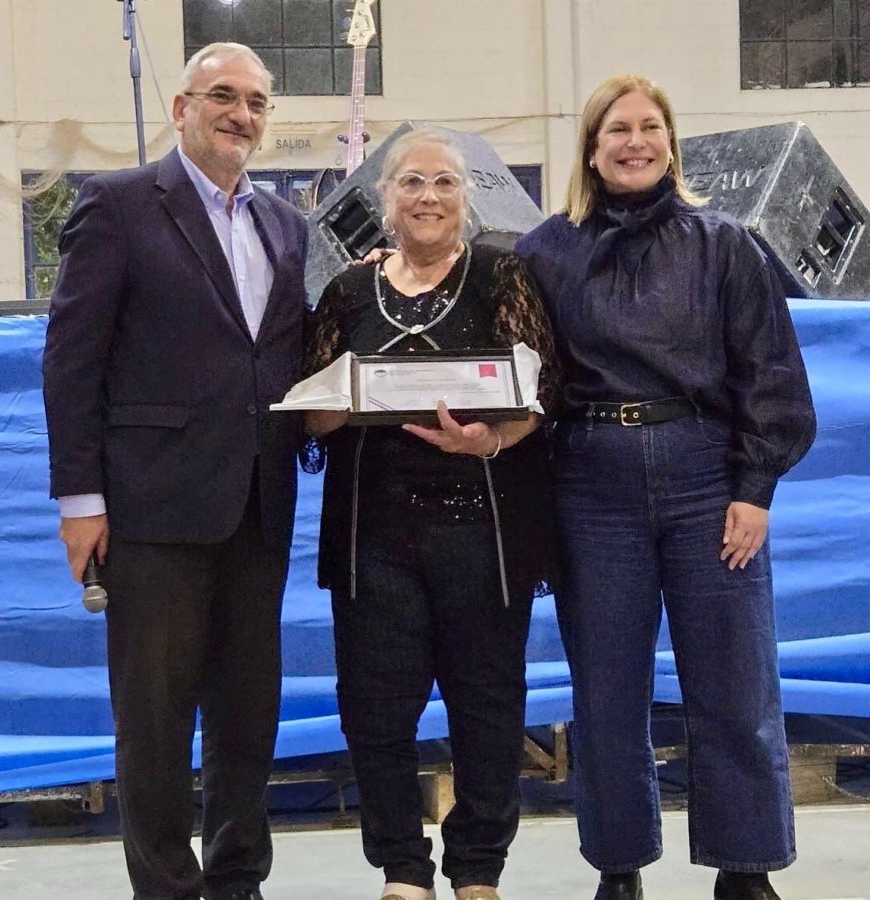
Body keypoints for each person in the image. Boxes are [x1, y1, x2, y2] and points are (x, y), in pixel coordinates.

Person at [515, 75, 816, 900]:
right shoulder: (543, 253)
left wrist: (755, 488)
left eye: (651, 127)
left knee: (734, 682)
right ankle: (619, 866)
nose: (635, 141)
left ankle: (745, 865)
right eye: (618, 129)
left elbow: (771, 374)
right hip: (590, 484)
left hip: (705, 480)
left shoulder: (726, 246)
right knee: (606, 688)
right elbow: (505, 353)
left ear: (672, 144)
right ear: (591, 147)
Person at [42, 42, 308, 900]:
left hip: (259, 503)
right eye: (223, 96)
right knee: (154, 721)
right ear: (181, 108)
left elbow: (283, 353)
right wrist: (81, 500)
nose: (242, 114)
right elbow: (71, 362)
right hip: (151, 507)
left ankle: (238, 880)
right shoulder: (117, 206)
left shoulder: (285, 224)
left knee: (248, 714)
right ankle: (165, 887)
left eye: (257, 103)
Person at [303, 129, 560, 900]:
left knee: (488, 705)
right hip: (372, 538)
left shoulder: (500, 276)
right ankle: (402, 869)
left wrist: (492, 438)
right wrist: (332, 408)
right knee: (375, 710)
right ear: (385, 200)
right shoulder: (346, 293)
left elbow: (543, 392)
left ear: (465, 198)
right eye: (412, 182)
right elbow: (309, 416)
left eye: (444, 183)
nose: (428, 197)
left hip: (481, 529)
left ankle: (478, 868)